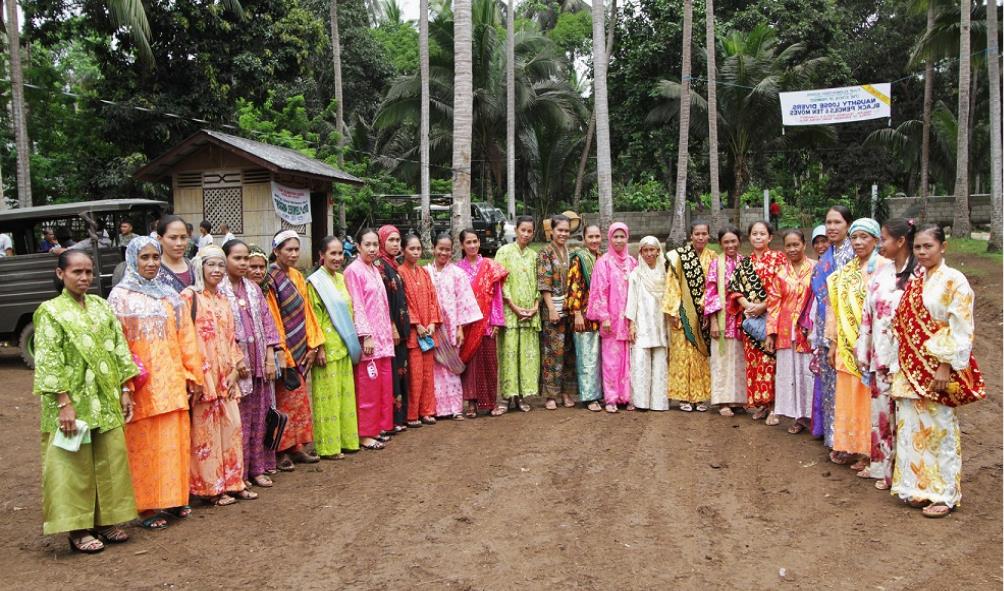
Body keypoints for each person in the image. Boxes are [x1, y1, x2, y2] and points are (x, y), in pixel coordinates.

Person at [34, 250, 139, 553]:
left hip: (104, 397)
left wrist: (125, 390)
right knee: (73, 464)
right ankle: (78, 528)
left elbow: (120, 350)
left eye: (88, 272)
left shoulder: (101, 306)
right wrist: (63, 402)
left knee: (110, 461)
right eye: (77, 272)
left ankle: (107, 520)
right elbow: (49, 360)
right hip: (71, 401)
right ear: (60, 274)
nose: (84, 278)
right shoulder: (50, 311)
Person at [889, 224, 986, 518]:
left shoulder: (955, 281)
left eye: (928, 246)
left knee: (939, 430)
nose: (922, 252)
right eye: (917, 247)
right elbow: (903, 325)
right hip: (911, 368)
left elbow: (961, 329)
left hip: (938, 370)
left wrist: (945, 365)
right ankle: (919, 488)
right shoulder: (917, 281)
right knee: (912, 428)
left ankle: (944, 493)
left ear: (942, 247)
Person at [108, 237, 203, 529]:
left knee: (173, 442)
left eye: (154, 257)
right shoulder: (119, 297)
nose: (150, 263)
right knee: (144, 445)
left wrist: (192, 374)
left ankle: (174, 499)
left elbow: (186, 337)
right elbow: (116, 343)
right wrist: (125, 382)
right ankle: (146, 506)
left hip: (172, 381)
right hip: (142, 386)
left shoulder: (169, 296)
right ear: (132, 259)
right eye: (144, 258)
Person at [181, 246, 256, 506]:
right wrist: (195, 377)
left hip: (227, 375)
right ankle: (212, 488)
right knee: (207, 433)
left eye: (220, 265)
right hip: (204, 377)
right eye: (211, 264)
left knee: (231, 428)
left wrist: (237, 367)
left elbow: (230, 337)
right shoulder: (189, 297)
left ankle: (234, 482)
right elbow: (184, 340)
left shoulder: (223, 299)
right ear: (199, 267)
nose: (216, 270)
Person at [855, 218, 915, 490]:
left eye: (885, 240)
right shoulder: (880, 274)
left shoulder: (920, 275)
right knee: (882, 417)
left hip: (909, 362)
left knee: (907, 418)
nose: (881, 245)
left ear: (901, 241)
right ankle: (884, 468)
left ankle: (907, 474)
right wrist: (864, 352)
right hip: (880, 357)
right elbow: (868, 316)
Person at [826, 218, 889, 470]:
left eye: (865, 237)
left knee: (868, 400)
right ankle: (851, 445)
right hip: (845, 344)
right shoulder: (845, 272)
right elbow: (833, 308)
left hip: (873, 347)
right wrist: (832, 343)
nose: (859, 242)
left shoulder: (885, 268)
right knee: (848, 398)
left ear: (876, 240)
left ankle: (870, 452)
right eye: (855, 237)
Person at [264, 230, 324, 469]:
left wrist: (313, 344)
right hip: (283, 350)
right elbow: (273, 317)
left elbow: (307, 311)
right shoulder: (270, 278)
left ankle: (298, 446)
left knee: (299, 401)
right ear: (276, 251)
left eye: (296, 249)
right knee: (283, 402)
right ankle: (281, 451)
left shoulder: (299, 276)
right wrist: (282, 351)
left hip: (301, 347)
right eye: (288, 249)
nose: (293, 254)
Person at [223, 240, 281, 487]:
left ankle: (258, 468)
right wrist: (235, 362)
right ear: (225, 259)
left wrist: (270, 357)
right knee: (240, 423)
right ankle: (240, 473)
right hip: (236, 369)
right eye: (237, 258)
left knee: (259, 419)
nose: (243, 263)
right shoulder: (220, 291)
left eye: (246, 258)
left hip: (259, 365)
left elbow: (268, 324)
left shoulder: (254, 289)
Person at [306, 237, 361, 459]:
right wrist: (318, 346)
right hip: (326, 347)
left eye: (340, 254)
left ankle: (347, 440)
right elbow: (313, 316)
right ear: (322, 255)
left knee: (345, 395)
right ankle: (328, 446)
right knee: (327, 397)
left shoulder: (341, 279)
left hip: (344, 344)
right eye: (333, 254)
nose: (338, 258)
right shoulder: (314, 283)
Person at [728, 221, 786, 423]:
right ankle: (761, 405)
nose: (758, 237)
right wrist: (745, 304)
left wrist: (763, 305)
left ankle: (774, 407)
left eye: (762, 234)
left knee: (770, 363)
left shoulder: (779, 259)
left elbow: (783, 288)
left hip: (771, 319)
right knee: (753, 364)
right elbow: (734, 288)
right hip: (751, 321)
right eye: (754, 234)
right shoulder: (744, 263)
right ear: (749, 237)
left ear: (770, 237)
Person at [344, 229, 396, 450]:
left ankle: (377, 428)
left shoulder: (375, 269)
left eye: (375, 244)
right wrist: (365, 336)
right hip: (369, 341)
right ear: (358, 246)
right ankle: (364, 433)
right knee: (367, 388)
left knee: (382, 386)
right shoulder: (353, 271)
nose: (373, 249)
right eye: (368, 244)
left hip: (383, 338)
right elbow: (357, 305)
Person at [810, 206, 854, 445]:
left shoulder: (854, 254)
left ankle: (849, 440)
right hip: (824, 326)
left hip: (849, 328)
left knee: (847, 384)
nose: (832, 227)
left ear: (848, 225)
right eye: (828, 222)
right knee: (829, 382)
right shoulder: (826, 257)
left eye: (837, 222)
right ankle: (833, 436)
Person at [765, 229, 817, 433]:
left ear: (804, 245)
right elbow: (773, 305)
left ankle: (813, 417)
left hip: (808, 330)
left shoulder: (815, 268)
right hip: (786, 330)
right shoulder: (780, 273)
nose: (793, 249)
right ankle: (797, 416)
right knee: (791, 374)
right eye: (789, 245)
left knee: (808, 373)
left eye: (796, 244)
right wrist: (771, 333)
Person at [426, 233, 482, 419]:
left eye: (448, 250)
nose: (444, 253)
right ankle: (435, 409)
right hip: (431, 329)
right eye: (440, 249)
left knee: (450, 369)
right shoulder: (425, 273)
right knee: (433, 370)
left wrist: (459, 328)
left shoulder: (458, 274)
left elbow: (463, 302)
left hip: (451, 329)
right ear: (433, 248)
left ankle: (455, 409)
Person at [663, 222, 715, 411]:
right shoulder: (680, 257)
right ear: (690, 235)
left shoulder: (713, 258)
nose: (700, 237)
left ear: (709, 236)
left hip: (702, 314)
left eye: (704, 234)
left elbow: (713, 285)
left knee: (700, 355)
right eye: (697, 234)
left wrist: (703, 306)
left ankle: (700, 397)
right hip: (682, 313)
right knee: (681, 355)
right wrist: (675, 309)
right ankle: (682, 396)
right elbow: (672, 282)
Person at [586, 222, 636, 413]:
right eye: (615, 236)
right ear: (609, 238)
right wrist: (604, 317)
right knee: (611, 360)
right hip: (612, 321)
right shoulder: (604, 262)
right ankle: (611, 398)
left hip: (629, 320)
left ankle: (626, 396)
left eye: (622, 236)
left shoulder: (632, 262)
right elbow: (599, 291)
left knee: (628, 359)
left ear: (627, 238)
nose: (619, 240)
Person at [457, 229, 508, 417]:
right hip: (468, 325)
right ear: (462, 245)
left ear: (479, 242)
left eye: (475, 241)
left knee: (489, 363)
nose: (472, 246)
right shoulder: (458, 269)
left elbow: (497, 297)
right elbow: (458, 298)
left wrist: (496, 321)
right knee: (471, 365)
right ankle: (471, 404)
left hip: (487, 323)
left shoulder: (489, 266)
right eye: (468, 242)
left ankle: (491, 402)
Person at [494, 216, 541, 412]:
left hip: (530, 313)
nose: (526, 234)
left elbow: (540, 282)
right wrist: (513, 306)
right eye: (523, 230)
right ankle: (506, 397)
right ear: (516, 230)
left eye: (530, 231)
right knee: (509, 354)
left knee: (525, 355)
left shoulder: (534, 256)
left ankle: (521, 396)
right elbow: (499, 283)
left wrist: (535, 306)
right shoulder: (503, 253)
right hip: (510, 314)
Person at [398, 234, 441, 425]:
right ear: (403, 250)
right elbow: (404, 303)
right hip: (414, 333)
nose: (416, 252)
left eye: (418, 249)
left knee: (427, 374)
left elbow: (433, 298)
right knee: (414, 375)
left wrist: (432, 322)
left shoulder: (424, 273)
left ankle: (427, 411)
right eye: (411, 249)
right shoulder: (400, 272)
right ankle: (412, 414)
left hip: (428, 332)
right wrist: (417, 324)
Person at [704, 226, 746, 416]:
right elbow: (710, 293)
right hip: (722, 320)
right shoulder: (716, 264)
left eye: (733, 241)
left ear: (739, 241)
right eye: (726, 242)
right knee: (722, 360)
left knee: (738, 359)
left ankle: (738, 399)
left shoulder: (745, 262)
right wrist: (713, 321)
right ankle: (722, 401)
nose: (730, 245)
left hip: (741, 320)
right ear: (721, 244)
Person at [537, 214, 576, 410]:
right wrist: (551, 308)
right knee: (553, 352)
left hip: (570, 309)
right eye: (560, 230)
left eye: (566, 231)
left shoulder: (571, 252)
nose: (563, 234)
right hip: (553, 308)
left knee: (569, 352)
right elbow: (544, 283)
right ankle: (551, 394)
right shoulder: (545, 253)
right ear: (552, 231)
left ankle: (566, 392)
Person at [625, 236, 668, 411]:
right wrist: (632, 324)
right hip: (642, 322)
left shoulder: (665, 273)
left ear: (658, 251)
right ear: (640, 253)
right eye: (645, 250)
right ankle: (641, 402)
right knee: (640, 362)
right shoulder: (636, 274)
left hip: (660, 323)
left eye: (652, 249)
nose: (649, 253)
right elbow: (632, 301)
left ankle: (659, 402)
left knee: (660, 362)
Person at [376, 225, 411, 433]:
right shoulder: (380, 266)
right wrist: (392, 327)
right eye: (391, 240)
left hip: (401, 328)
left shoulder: (393, 264)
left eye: (398, 240)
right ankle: (392, 419)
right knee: (392, 375)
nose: (396, 244)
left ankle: (400, 418)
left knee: (401, 372)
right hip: (391, 330)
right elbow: (384, 301)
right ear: (382, 241)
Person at [566, 224, 603, 411]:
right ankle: (589, 397)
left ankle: (599, 393)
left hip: (600, 317)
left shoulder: (602, 258)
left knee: (597, 357)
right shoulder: (580, 259)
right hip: (584, 315)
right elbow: (574, 286)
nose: (594, 240)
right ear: (584, 238)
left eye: (597, 236)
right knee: (586, 356)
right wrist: (577, 313)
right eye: (591, 237)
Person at [155, 215, 197, 291]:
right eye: (173, 238)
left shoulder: (195, 267)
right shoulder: (153, 270)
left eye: (183, 237)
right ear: (159, 239)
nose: (179, 243)